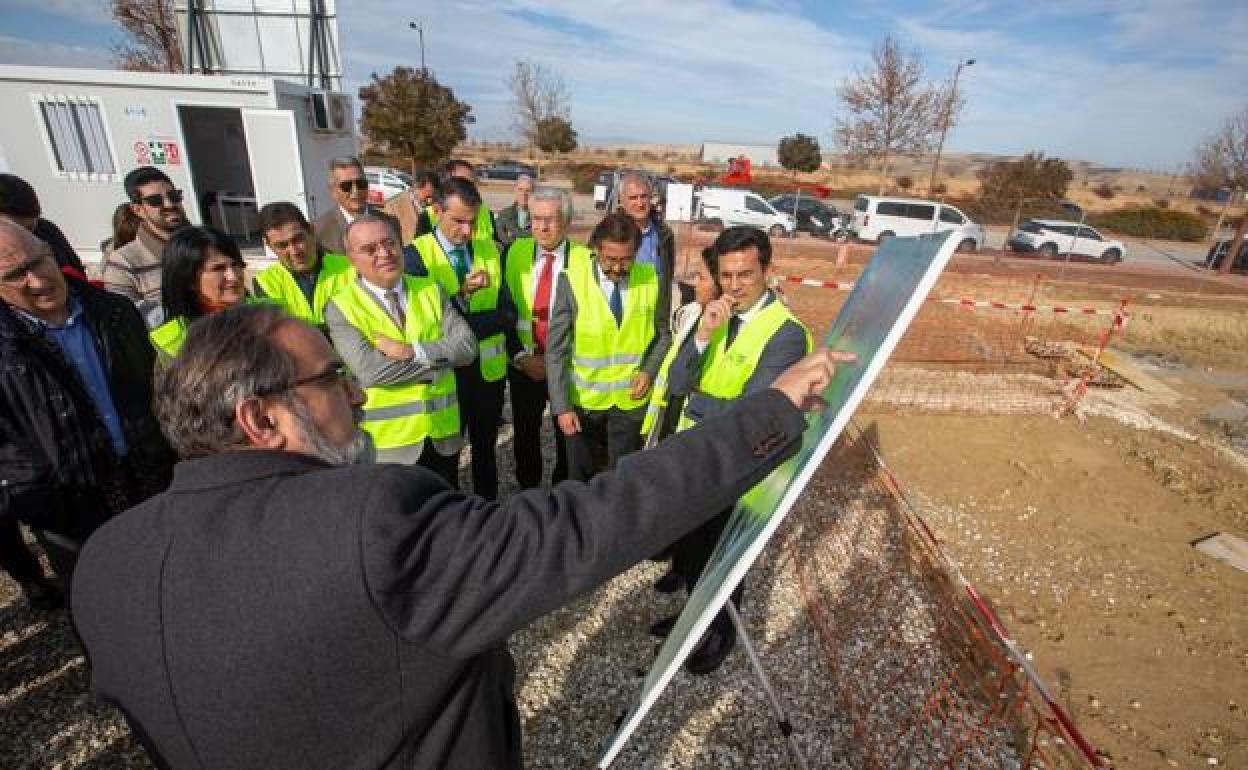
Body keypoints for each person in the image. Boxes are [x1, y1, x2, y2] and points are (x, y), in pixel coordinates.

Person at [71, 299, 841, 769]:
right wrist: (768, 413)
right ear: (261, 418)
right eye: (332, 377)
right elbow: (589, 521)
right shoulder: (367, 524)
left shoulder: (106, 561)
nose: (358, 395)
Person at [656, 226, 815, 675]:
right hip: (696, 457)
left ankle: (719, 636)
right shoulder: (714, 316)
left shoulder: (785, 333)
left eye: (745, 274)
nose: (735, 285)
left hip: (740, 467)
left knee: (722, 561)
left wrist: (698, 402)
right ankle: (691, 620)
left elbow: (753, 411)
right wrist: (703, 336)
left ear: (768, 270)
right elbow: (675, 383)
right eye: (726, 275)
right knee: (690, 553)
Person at [0, 220, 173, 589]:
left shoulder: (114, 313)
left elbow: (151, 389)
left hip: (148, 479)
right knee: (102, 603)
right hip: (72, 507)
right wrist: (42, 499)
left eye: (38, 263)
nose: (37, 280)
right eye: (17, 275)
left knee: (170, 584)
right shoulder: (5, 348)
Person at [324, 215, 476, 486]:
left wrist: (412, 350)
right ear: (351, 258)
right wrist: (435, 367)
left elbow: (467, 347)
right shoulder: (342, 307)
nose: (384, 254)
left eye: (389, 243)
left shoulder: (430, 289)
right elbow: (371, 373)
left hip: (442, 434)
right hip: (390, 445)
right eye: (370, 249)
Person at [408, 177, 513, 499]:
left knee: (485, 449)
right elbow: (425, 323)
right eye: (459, 221)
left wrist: (467, 323)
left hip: (486, 375)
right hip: (445, 376)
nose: (467, 231)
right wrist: (462, 298)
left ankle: (488, 507)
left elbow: (507, 312)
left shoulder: (489, 250)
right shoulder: (415, 256)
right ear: (436, 210)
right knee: (446, 454)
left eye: (473, 221)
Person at [546, 211, 670, 481]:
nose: (617, 268)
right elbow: (555, 350)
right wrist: (562, 407)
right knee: (579, 480)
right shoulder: (572, 280)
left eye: (626, 260)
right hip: (584, 405)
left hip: (629, 404)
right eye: (610, 260)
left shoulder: (652, 280)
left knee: (620, 480)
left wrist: (648, 371)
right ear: (596, 249)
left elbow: (663, 335)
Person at [502, 186, 589, 488]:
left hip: (565, 366)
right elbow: (506, 310)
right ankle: (529, 494)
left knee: (568, 434)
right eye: (536, 219)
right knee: (525, 435)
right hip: (525, 365)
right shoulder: (515, 252)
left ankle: (563, 494)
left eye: (550, 219)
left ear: (566, 221)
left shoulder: (585, 259)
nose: (542, 227)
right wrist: (520, 357)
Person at [100, 166, 190, 322]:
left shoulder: (207, 245)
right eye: (155, 201)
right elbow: (128, 323)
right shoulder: (122, 263)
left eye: (174, 196)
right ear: (137, 209)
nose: (169, 204)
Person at [149, 225, 250, 361]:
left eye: (235, 264)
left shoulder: (269, 315)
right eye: (218, 268)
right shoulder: (172, 342)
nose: (233, 276)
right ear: (189, 280)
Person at [253, 202, 351, 332]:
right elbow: (279, 334)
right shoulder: (265, 282)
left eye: (298, 239)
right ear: (269, 245)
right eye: (282, 245)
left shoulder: (350, 267)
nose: (294, 251)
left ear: (311, 231)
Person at [0, 172, 87, 277]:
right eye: (17, 231)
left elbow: (76, 269)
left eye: (30, 228)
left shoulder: (46, 229)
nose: (28, 238)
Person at [618, 172, 676, 325]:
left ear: (651, 198)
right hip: (623, 320)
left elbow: (667, 278)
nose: (640, 203)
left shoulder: (665, 235)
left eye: (643, 196)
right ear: (622, 201)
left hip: (656, 320)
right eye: (633, 198)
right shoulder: (609, 234)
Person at [312, 156, 400, 255]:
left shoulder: (390, 223)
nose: (356, 191)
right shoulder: (318, 231)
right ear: (333, 192)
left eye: (360, 183)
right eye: (346, 186)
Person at [416, 159, 496, 242]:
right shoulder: (428, 216)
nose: (468, 188)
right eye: (461, 183)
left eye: (472, 184)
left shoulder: (487, 214)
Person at [384, 169, 440, 244]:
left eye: (434, 196)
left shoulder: (439, 205)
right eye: (428, 196)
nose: (430, 201)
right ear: (416, 187)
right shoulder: (393, 206)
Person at [493, 173, 534, 247]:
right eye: (520, 189)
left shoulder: (539, 217)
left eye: (528, 190)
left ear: (533, 193)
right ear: (515, 190)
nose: (524, 194)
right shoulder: (504, 215)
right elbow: (498, 240)